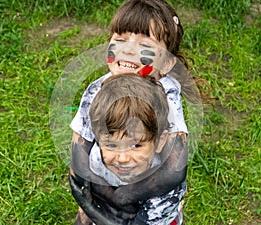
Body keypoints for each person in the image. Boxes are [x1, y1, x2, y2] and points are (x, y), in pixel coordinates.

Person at [69, 0, 203, 223]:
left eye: (145, 46)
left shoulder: (168, 98)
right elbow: (79, 147)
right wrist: (95, 197)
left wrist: (125, 196)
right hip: (103, 188)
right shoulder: (96, 89)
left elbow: (174, 170)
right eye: (120, 40)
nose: (128, 50)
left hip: (150, 202)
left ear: (168, 63)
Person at [70, 73, 187, 225]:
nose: (123, 158)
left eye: (136, 145)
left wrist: (89, 207)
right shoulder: (93, 160)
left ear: (160, 141)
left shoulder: (166, 189)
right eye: (111, 145)